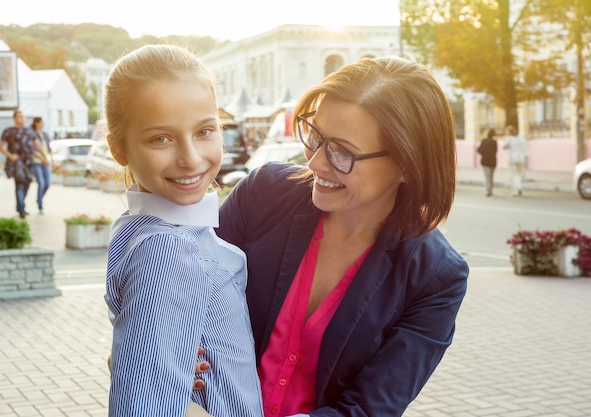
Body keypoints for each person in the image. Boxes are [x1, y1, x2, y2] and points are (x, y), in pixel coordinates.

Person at [191, 56, 469, 417]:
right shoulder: (264, 195)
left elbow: (368, 409)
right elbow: (186, 286)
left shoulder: (434, 277)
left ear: (407, 164)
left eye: (342, 151)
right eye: (316, 136)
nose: (315, 163)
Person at [102, 44, 263, 417]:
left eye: (205, 130)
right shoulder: (167, 247)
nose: (190, 158)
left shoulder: (142, 228)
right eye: (161, 138)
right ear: (118, 148)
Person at [0, 109, 43, 219]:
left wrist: (43, 157)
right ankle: (22, 209)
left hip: (29, 161)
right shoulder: (8, 131)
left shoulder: (29, 131)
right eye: (20, 116)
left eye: (23, 117)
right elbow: (0, 147)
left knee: (27, 182)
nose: (22, 119)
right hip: (17, 163)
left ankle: (20, 205)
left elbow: (36, 145)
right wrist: (10, 156)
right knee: (19, 184)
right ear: (14, 118)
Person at [31, 117, 52, 214]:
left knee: (47, 184)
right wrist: (42, 158)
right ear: (36, 123)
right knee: (41, 183)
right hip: (37, 162)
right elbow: (33, 150)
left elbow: (48, 148)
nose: (43, 124)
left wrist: (51, 159)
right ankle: (40, 204)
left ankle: (39, 198)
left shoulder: (45, 134)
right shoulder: (32, 134)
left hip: (45, 162)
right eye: (42, 122)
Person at [502, 125, 529, 197]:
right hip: (521, 158)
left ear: (508, 132)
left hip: (512, 159)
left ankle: (515, 191)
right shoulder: (521, 138)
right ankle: (519, 187)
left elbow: (504, 146)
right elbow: (526, 146)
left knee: (512, 174)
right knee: (519, 174)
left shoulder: (509, 139)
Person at [477, 127, 498, 196]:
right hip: (493, 160)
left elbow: (479, 150)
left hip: (485, 160)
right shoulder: (494, 142)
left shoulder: (484, 141)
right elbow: (495, 151)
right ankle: (491, 189)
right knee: (491, 176)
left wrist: (484, 154)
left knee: (487, 176)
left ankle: (488, 189)